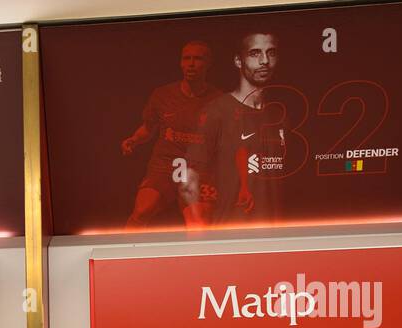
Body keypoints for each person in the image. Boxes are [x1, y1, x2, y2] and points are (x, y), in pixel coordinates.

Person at [182, 32, 285, 227]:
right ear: (239, 61)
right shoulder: (217, 111)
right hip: (232, 235)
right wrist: (200, 231)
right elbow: (189, 177)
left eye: (270, 53)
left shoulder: (282, 113)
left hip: (278, 238)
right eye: (255, 53)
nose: (264, 61)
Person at [120, 41, 219, 229]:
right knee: (142, 210)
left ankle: (197, 258)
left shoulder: (219, 101)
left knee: (199, 224)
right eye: (186, 58)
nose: (191, 64)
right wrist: (134, 140)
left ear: (208, 63)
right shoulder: (163, 95)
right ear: (181, 63)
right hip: (164, 166)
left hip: (199, 171)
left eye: (197, 59)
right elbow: (148, 128)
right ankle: (125, 254)